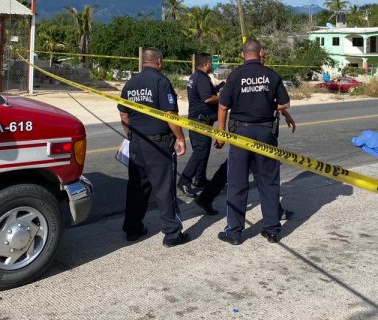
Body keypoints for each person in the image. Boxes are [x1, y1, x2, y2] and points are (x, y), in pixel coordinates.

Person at [194, 48, 296, 218]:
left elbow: (270, 100)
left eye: (265, 57)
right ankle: (273, 212)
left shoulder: (263, 75)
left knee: (240, 169)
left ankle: (206, 197)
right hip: (249, 130)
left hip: (253, 130)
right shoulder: (239, 76)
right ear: (254, 55)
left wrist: (286, 114)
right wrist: (221, 132)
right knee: (261, 174)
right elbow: (226, 105)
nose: (263, 59)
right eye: (262, 56)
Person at [215, 39, 290, 245]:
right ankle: (272, 229)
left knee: (238, 183)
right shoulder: (271, 75)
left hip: (241, 134)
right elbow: (285, 103)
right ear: (261, 53)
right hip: (266, 132)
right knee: (268, 181)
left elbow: (223, 107)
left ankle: (234, 232)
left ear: (242, 55)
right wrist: (269, 102)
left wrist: (221, 133)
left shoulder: (235, 75)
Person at [118, 47, 190, 247]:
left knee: (136, 188)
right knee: (164, 188)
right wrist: (180, 138)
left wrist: (131, 135)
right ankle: (172, 234)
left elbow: (124, 115)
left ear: (143, 62)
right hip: (158, 144)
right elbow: (170, 116)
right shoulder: (161, 81)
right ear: (159, 61)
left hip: (137, 143)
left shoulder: (130, 83)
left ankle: (132, 229)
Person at [177, 53, 221, 198]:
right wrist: (222, 96)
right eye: (212, 63)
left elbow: (206, 93)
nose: (213, 66)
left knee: (204, 151)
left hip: (201, 120)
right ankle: (184, 180)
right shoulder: (201, 78)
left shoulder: (194, 77)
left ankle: (200, 180)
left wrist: (219, 87)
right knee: (200, 152)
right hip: (200, 121)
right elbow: (207, 98)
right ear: (206, 63)